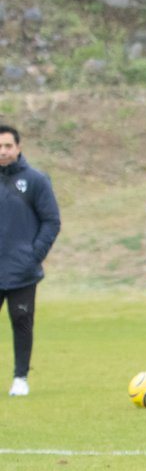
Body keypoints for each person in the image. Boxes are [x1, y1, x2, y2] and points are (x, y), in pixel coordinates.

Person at [0, 124, 60, 397]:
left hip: (22, 270)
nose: (2, 151)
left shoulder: (35, 180)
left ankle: (20, 378)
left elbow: (51, 221)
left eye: (7, 146)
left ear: (18, 147)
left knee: (21, 320)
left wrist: (34, 255)